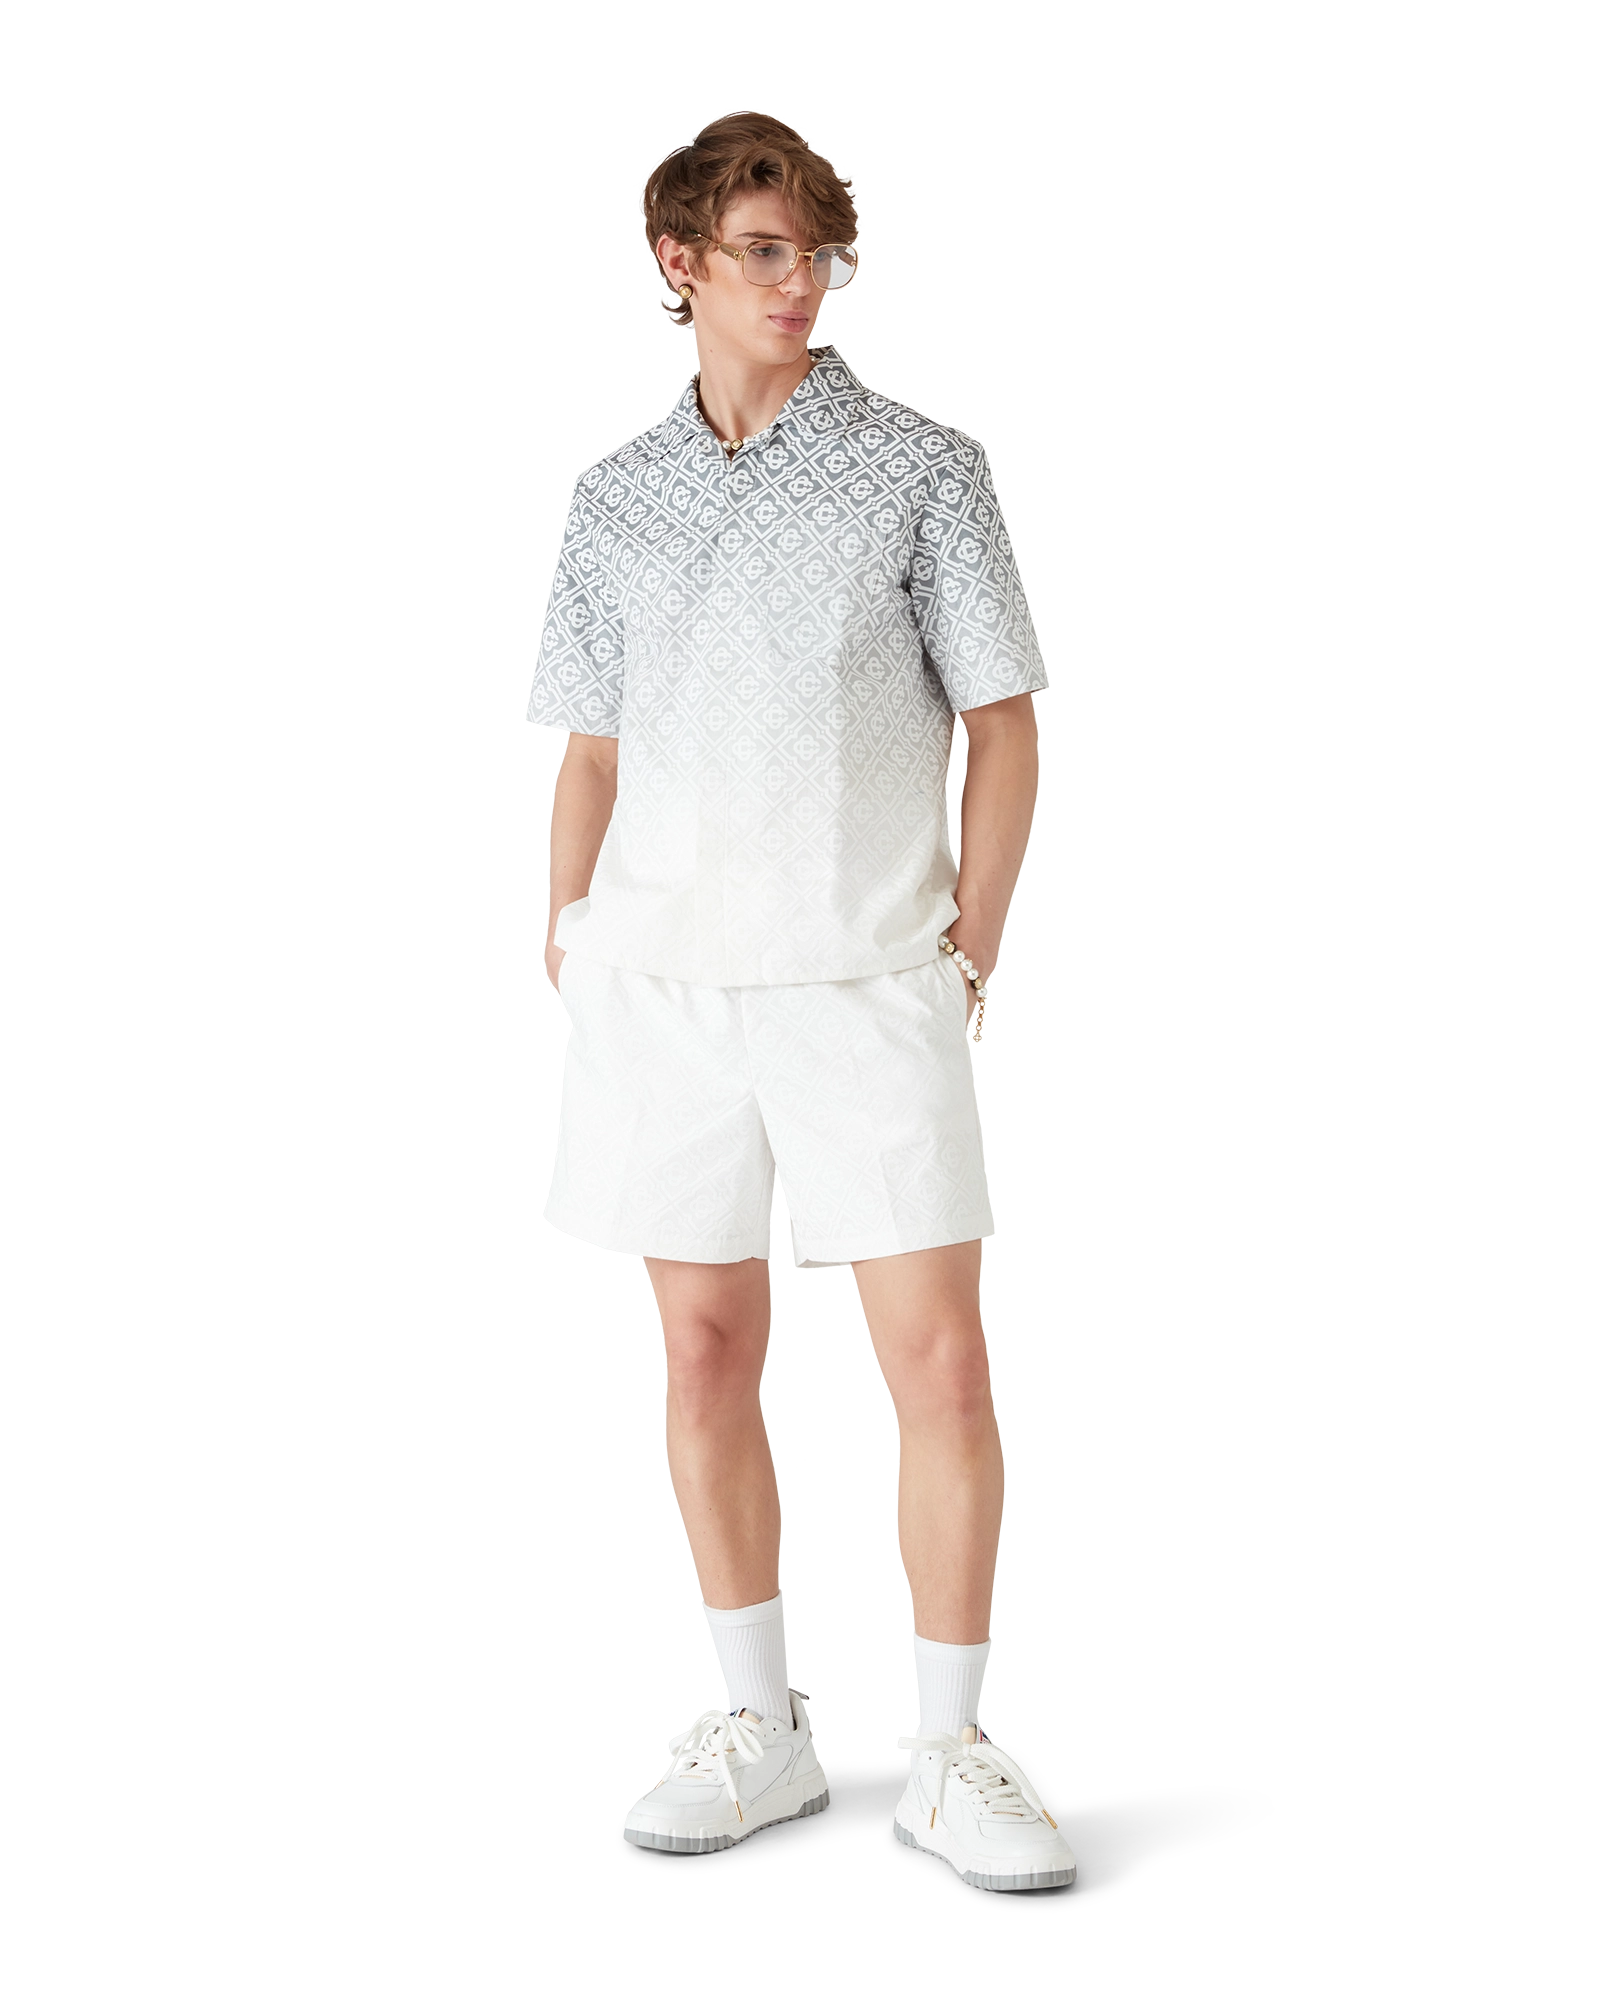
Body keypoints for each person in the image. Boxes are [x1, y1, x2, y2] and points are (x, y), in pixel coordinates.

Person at [523, 112, 1075, 1893]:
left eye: (816, 252)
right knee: (702, 1348)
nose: (800, 283)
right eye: (764, 251)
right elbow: (589, 748)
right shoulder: (614, 492)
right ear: (679, 263)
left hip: (866, 977)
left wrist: (970, 948)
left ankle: (953, 1749)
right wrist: (567, 939)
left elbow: (1002, 724)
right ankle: (759, 1726)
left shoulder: (920, 466)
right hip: (662, 990)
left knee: (940, 1361)